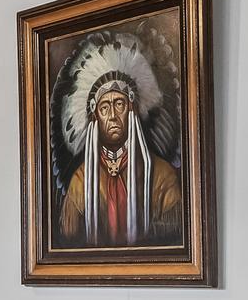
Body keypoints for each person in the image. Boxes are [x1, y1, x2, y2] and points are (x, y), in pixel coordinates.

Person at [55, 36, 181, 246]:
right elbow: (70, 240)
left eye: (119, 104)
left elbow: (173, 240)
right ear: (95, 119)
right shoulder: (80, 181)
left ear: (132, 111)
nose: (112, 115)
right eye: (104, 108)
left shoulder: (161, 176)